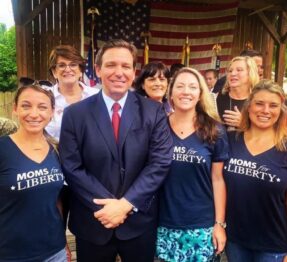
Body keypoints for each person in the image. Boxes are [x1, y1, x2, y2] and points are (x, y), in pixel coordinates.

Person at [59, 39, 173, 262]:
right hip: (94, 220)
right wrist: (110, 208)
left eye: (125, 66)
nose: (119, 72)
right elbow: (71, 166)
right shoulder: (75, 114)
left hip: (139, 222)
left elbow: (159, 162)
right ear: (98, 69)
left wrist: (125, 205)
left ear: (133, 72)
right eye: (111, 65)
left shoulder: (153, 111)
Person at [156, 67, 228, 262]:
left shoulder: (215, 130)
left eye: (192, 87)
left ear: (200, 94)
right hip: (163, 222)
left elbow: (218, 179)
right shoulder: (158, 127)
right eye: (179, 86)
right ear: (170, 93)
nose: (185, 91)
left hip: (201, 225)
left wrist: (219, 224)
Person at [224, 80, 287, 262]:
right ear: (248, 107)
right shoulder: (229, 140)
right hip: (235, 241)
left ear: (281, 111)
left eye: (273, 105)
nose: (265, 111)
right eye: (259, 103)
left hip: (274, 247)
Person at [0, 80, 67, 261]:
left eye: (43, 107)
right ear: (15, 109)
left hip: (55, 251)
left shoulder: (57, 149)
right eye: (26, 106)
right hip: (11, 253)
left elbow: (57, 200)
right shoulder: (3, 148)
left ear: (52, 112)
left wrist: (63, 241)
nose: (34, 114)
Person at [46, 45, 99, 141]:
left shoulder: (97, 96)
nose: (67, 69)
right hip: (54, 154)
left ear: (80, 70)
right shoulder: (44, 98)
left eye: (73, 64)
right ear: (54, 72)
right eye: (61, 65)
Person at [216, 56, 259, 131]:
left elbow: (266, 132)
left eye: (239, 70)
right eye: (230, 71)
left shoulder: (258, 100)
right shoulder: (218, 97)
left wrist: (244, 124)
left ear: (250, 73)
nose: (233, 73)